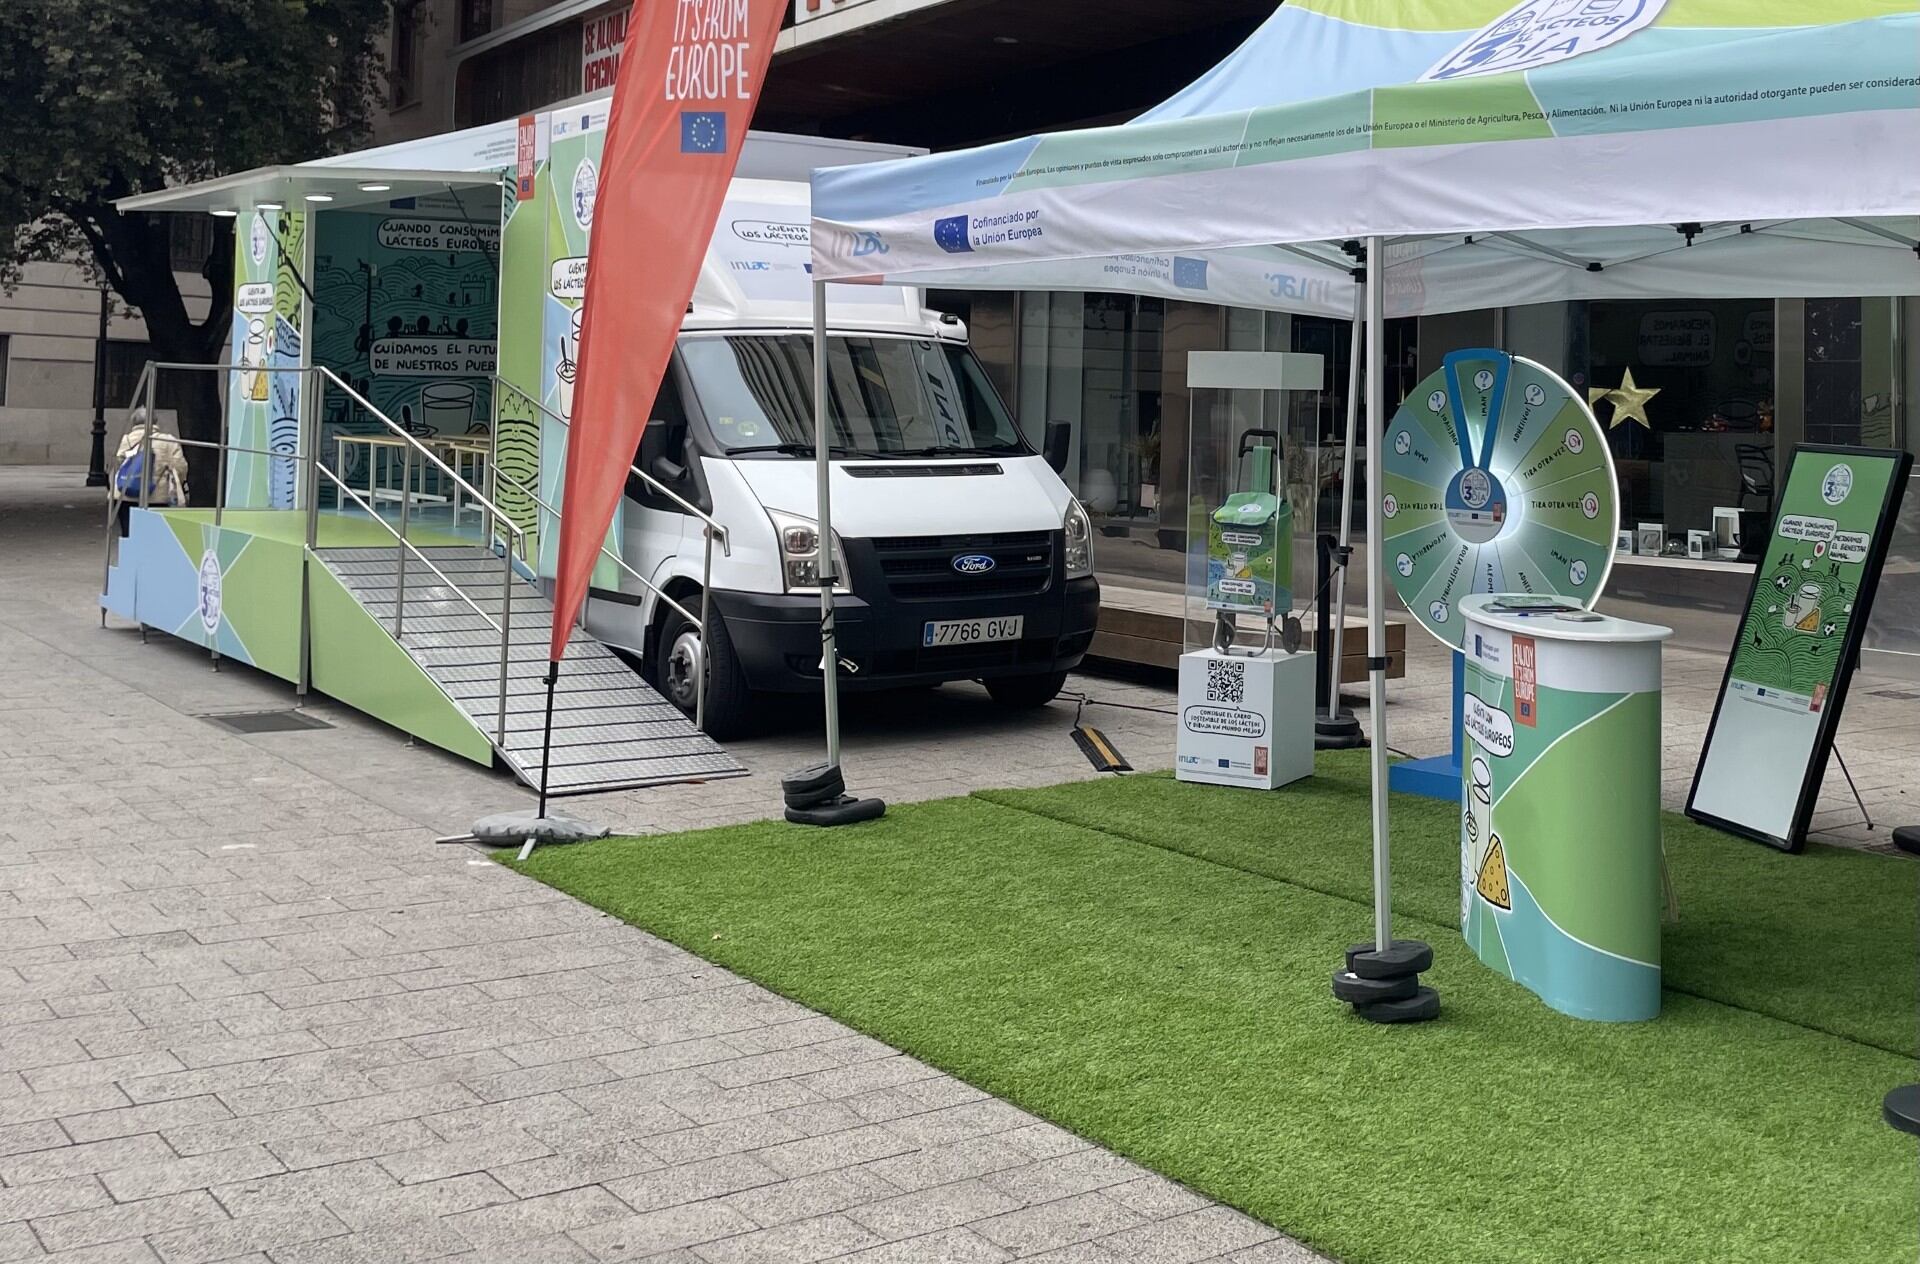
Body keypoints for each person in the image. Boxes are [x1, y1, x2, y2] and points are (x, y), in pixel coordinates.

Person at [111, 408, 190, 535]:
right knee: (153, 535)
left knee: (129, 533)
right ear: (155, 421)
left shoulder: (126, 440)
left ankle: (132, 554)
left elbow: (117, 464)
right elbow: (180, 467)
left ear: (134, 422)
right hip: (157, 497)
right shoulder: (168, 441)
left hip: (125, 495)